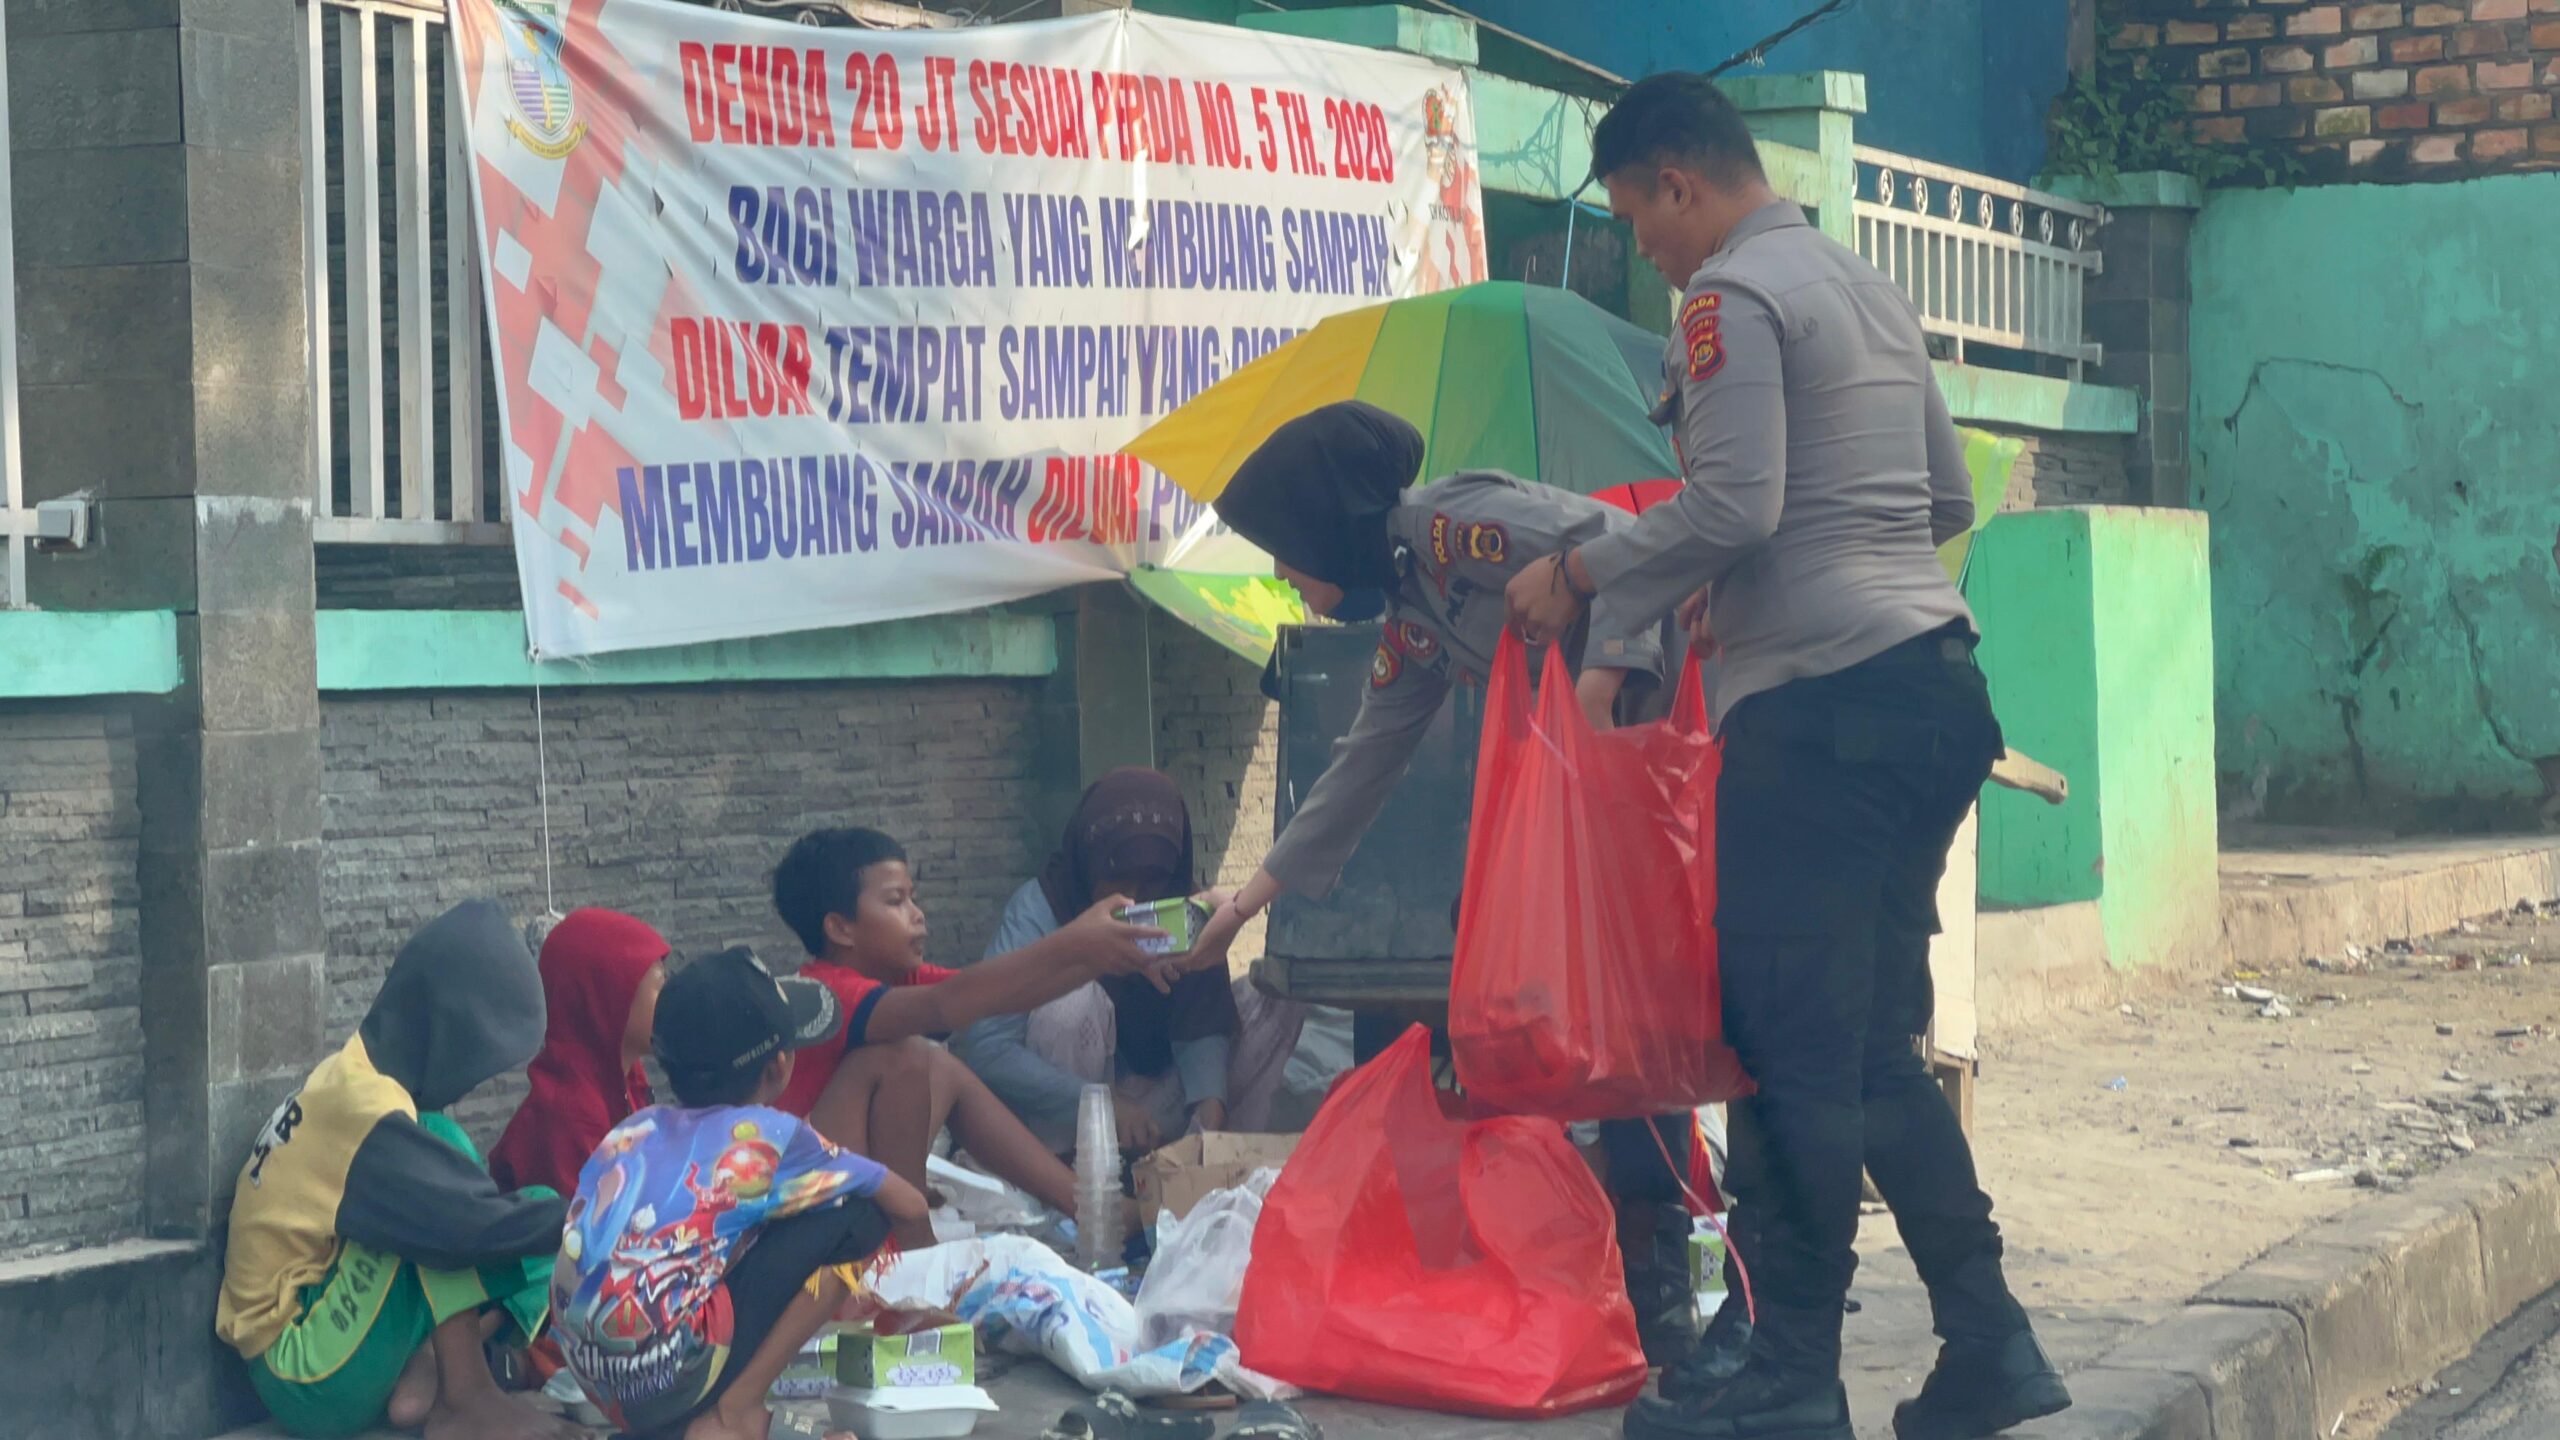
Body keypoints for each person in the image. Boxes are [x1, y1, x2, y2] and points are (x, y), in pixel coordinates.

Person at [1500, 74, 2067, 1440]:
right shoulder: (1867, 287)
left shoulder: (1727, 300)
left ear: (1680, 185)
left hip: (1821, 718)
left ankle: (1790, 1378)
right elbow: (1939, 498)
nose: (1648, 251)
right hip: (1936, 689)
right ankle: (1989, 1345)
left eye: (1642, 219)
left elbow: (1733, 503)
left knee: (1788, 1054)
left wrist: (1582, 573)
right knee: (1870, 1053)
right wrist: (1741, 571)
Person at [1170, 399, 1703, 1366]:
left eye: (1285, 552)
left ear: (1325, 523)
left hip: (1645, 780)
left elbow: (1630, 548)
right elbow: (1364, 762)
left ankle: (1667, 1285)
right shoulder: (1411, 613)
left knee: (1638, 1034)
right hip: (1570, 814)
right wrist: (1245, 903)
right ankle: (1544, 1248)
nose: (1285, 576)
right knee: (1506, 1005)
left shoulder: (1454, 531)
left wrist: (1602, 684)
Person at [215, 900, 579, 1440]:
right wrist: (593, 1215)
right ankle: (469, 1400)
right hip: (301, 1371)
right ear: (451, 1031)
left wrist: (566, 1221)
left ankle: (437, 1362)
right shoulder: (363, 1112)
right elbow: (460, 1225)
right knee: (454, 1205)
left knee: (521, 1203)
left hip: (340, 1339)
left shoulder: (359, 1080)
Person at [551, 945, 929, 1440]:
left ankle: (690, 1421)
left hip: (595, 1377)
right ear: (778, 1067)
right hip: (671, 1373)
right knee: (859, 1214)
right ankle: (733, 1415)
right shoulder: (770, 1137)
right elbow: (908, 1203)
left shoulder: (636, 1128)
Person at [769, 825, 1163, 1227]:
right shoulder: (831, 994)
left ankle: (1095, 1211)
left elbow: (1004, 994)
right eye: (895, 901)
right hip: (807, 1195)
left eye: (913, 899)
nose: (917, 915)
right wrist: (1075, 941)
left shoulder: (895, 980)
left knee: (944, 1069)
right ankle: (909, 1243)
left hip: (856, 1171)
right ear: (840, 928)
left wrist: (1107, 957)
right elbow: (950, 1003)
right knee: (906, 1055)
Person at [953, 768, 1307, 1156]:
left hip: (1158, 1105)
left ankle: (1212, 1163)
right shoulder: (1041, 908)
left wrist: (1209, 1111)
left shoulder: (1185, 908)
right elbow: (987, 1047)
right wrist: (1103, 1106)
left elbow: (1202, 1022)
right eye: (1120, 880)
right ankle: (1066, 1170)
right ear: (1090, 863)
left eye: (1152, 881)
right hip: (1067, 1112)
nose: (1136, 898)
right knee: (1071, 1003)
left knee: (1279, 999)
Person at [487, 907, 673, 1197]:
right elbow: (590, 1232)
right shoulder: (567, 1117)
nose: (668, 1000)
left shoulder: (625, 1077)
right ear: (609, 997)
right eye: (659, 985)